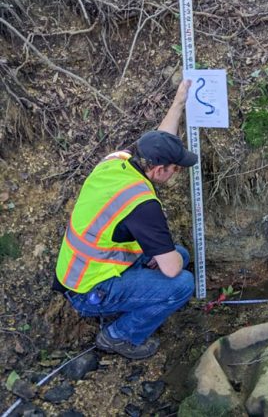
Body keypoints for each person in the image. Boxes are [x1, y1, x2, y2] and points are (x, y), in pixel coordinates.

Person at [53, 80, 198, 360]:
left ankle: (130, 299)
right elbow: (170, 271)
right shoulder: (142, 204)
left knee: (178, 254)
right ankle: (119, 336)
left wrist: (179, 101)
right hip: (86, 289)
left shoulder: (118, 161)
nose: (177, 173)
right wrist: (166, 262)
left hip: (80, 268)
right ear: (157, 170)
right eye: (175, 169)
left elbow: (159, 137)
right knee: (181, 282)